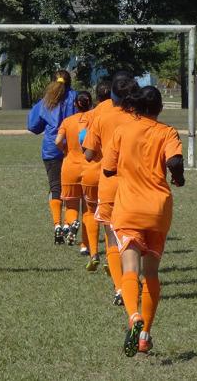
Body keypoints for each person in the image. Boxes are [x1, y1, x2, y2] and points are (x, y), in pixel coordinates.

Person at [101, 86, 185, 357]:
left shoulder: (123, 130)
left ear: (135, 107)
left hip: (129, 208)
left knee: (130, 270)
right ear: (159, 108)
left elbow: (108, 168)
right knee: (151, 273)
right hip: (158, 210)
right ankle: (145, 337)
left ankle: (134, 316)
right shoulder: (167, 132)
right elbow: (174, 160)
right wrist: (179, 178)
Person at [83, 71, 139, 305]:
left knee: (112, 237)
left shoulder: (101, 117)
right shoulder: (139, 116)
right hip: (136, 183)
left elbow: (88, 154)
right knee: (135, 237)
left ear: (112, 96)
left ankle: (120, 288)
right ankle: (134, 280)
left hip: (109, 182)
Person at [27, 70, 78, 244]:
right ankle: (70, 224)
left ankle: (57, 225)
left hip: (51, 150)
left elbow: (33, 126)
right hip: (73, 149)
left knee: (55, 187)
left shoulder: (46, 100)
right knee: (72, 189)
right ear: (70, 83)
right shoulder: (76, 97)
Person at [79, 81, 113, 269]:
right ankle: (112, 256)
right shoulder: (124, 114)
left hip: (92, 170)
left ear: (97, 96)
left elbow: (82, 138)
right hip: (114, 174)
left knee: (91, 212)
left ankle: (93, 253)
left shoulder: (91, 115)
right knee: (112, 216)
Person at [54, 91, 93, 247]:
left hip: (70, 167)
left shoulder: (67, 121)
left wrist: (65, 149)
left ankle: (73, 222)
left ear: (75, 105)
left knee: (70, 205)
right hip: (89, 166)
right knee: (88, 209)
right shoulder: (95, 119)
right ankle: (85, 245)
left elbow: (57, 141)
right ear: (90, 104)